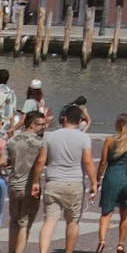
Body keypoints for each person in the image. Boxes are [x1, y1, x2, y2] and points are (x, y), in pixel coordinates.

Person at [31, 105, 95, 253]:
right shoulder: (84, 138)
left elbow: (40, 161)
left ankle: (43, 251)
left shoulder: (50, 136)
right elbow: (87, 161)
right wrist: (94, 182)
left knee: (49, 221)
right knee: (72, 222)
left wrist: (35, 181)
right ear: (79, 121)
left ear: (64, 119)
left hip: (53, 182)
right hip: (74, 183)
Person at [94, 114, 127, 253]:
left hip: (110, 179)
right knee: (125, 212)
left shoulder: (109, 140)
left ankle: (102, 241)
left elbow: (103, 163)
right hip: (125, 182)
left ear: (117, 125)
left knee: (106, 213)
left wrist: (97, 179)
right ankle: (120, 244)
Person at [9, 108, 47, 253]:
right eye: (41, 124)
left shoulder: (13, 140)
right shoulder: (40, 143)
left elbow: (4, 160)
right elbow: (44, 161)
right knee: (24, 223)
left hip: (14, 184)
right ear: (31, 124)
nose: (43, 127)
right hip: (29, 186)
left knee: (14, 221)